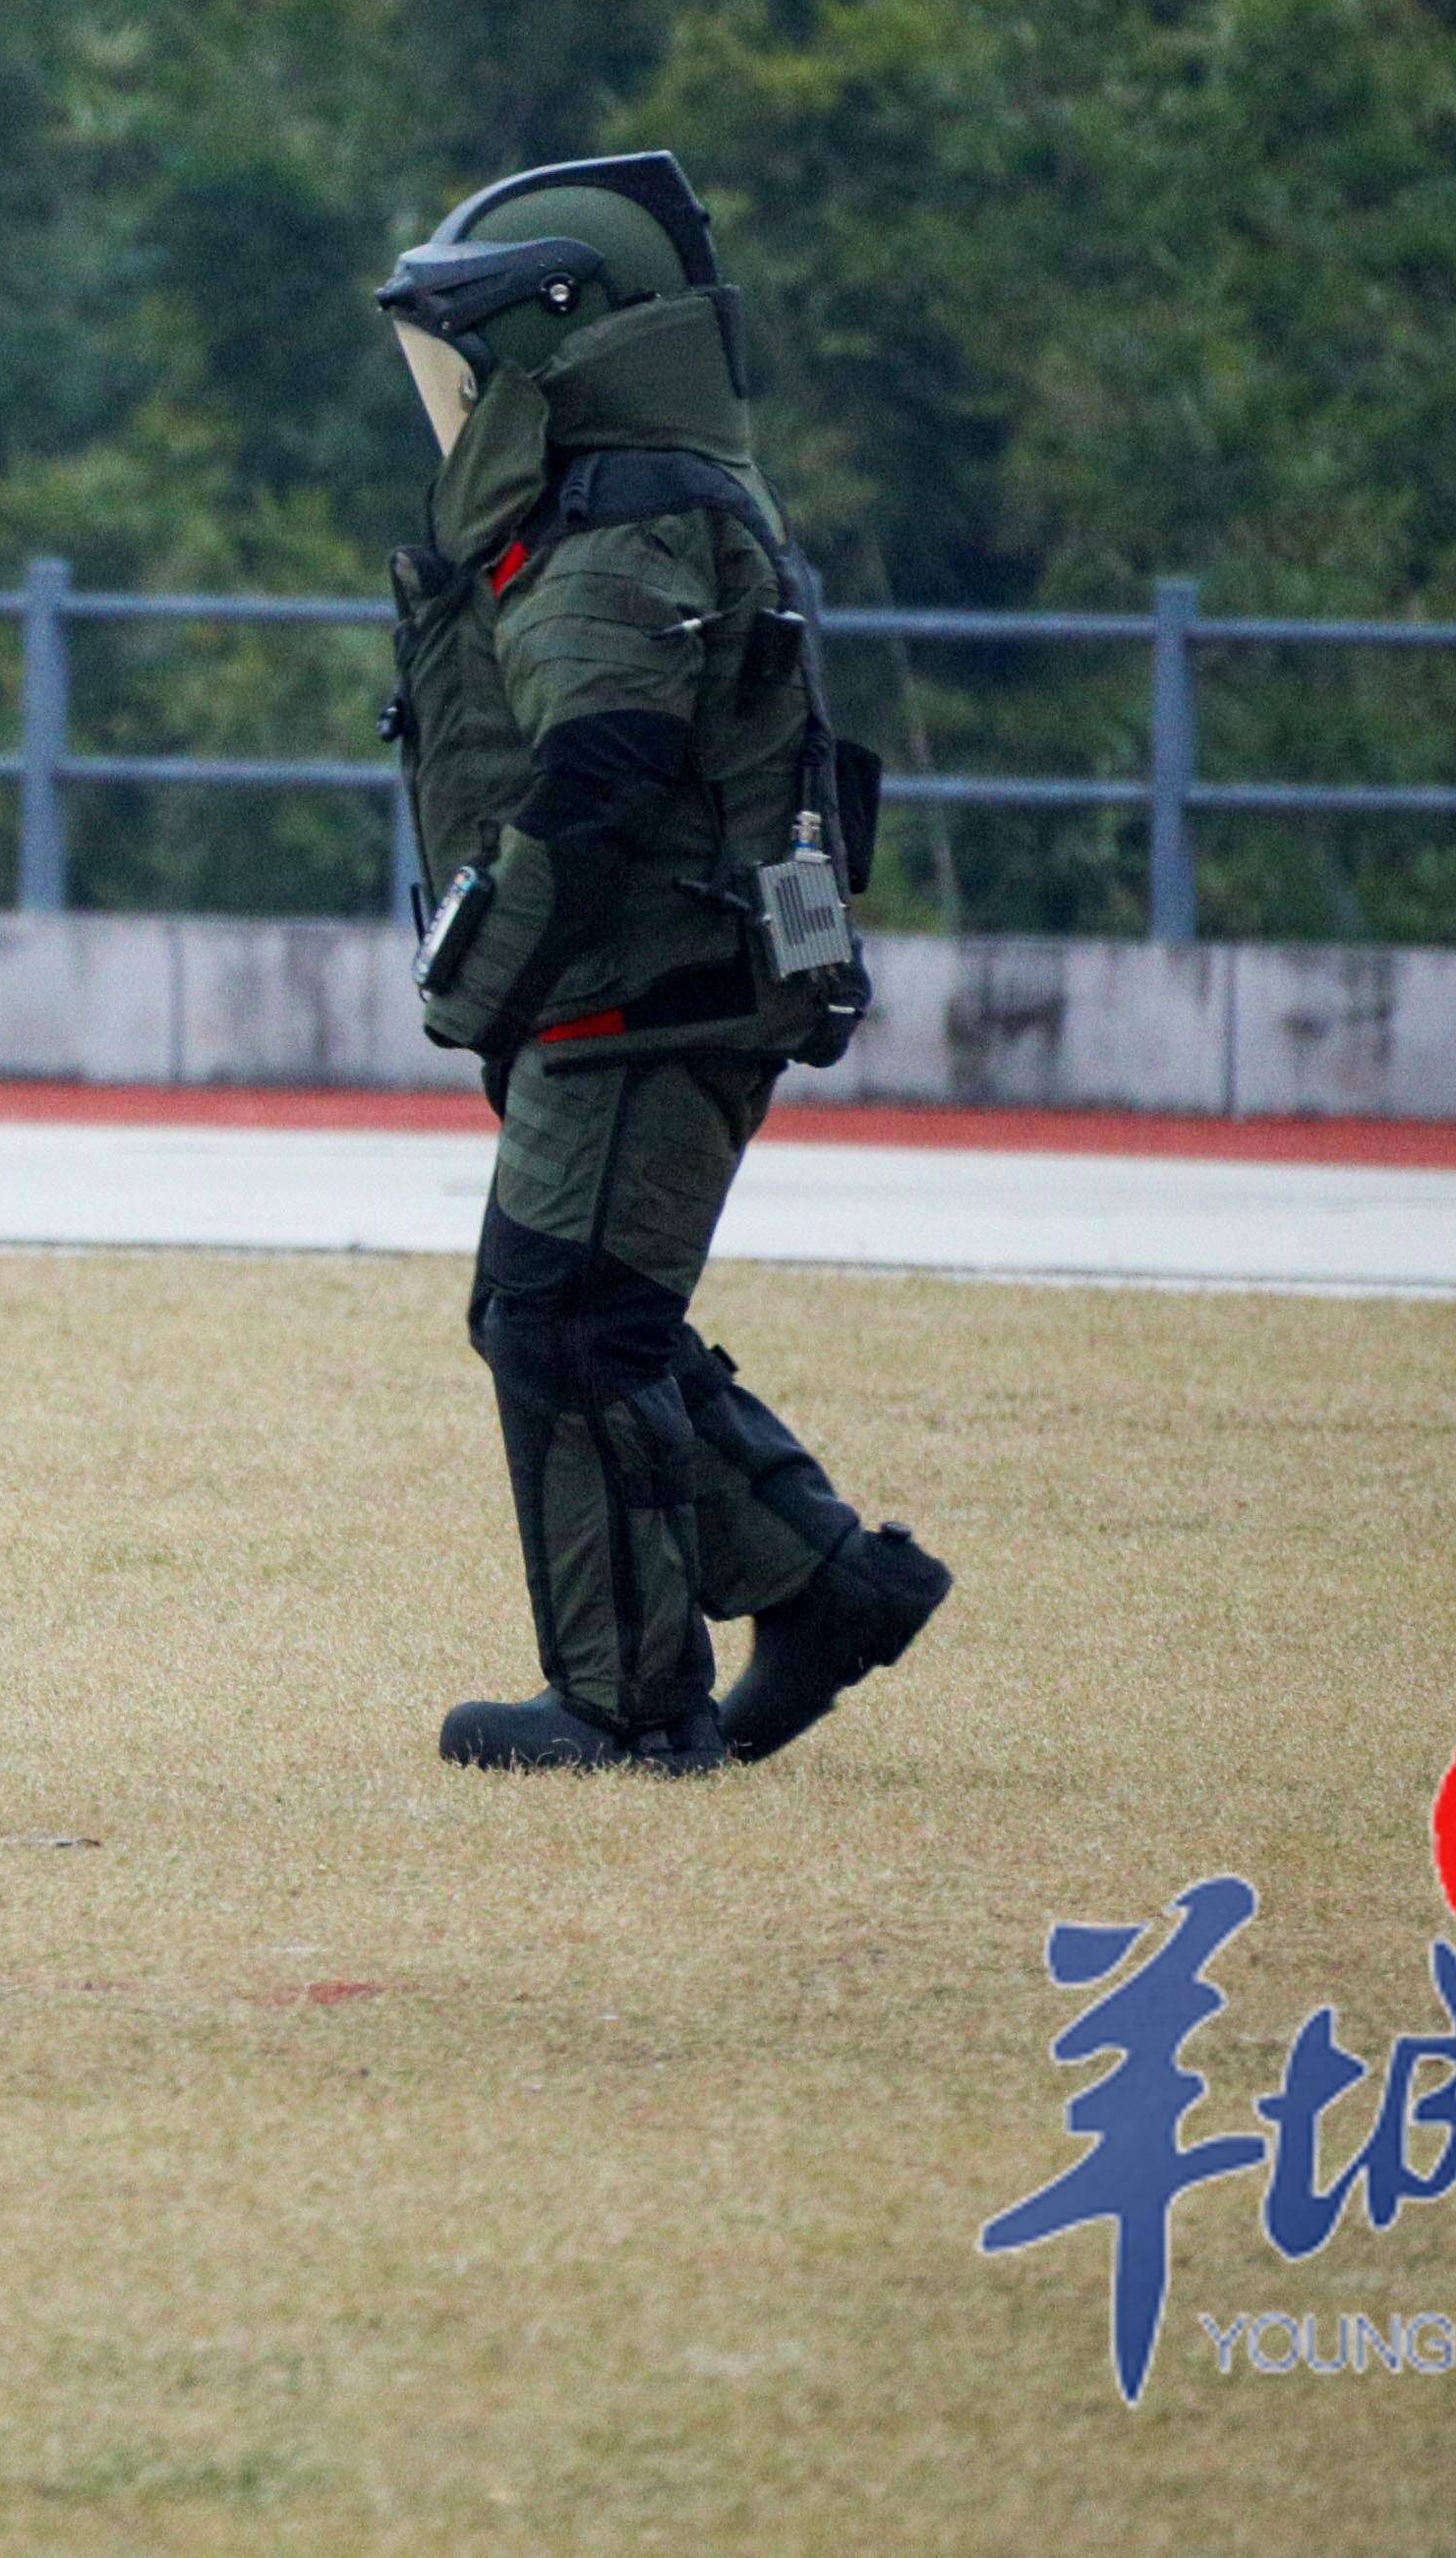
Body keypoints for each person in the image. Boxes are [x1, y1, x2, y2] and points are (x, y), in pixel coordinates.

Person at [373, 154, 953, 1773]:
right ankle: (824, 1583)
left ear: (565, 344)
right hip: (652, 984)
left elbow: (603, 764)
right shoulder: (620, 504)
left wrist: (477, 975)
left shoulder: (625, 515)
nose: (454, 399)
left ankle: (630, 1708)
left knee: (567, 1323)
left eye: (470, 358)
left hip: (653, 989)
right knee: (568, 1312)